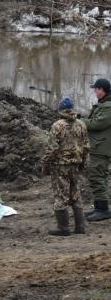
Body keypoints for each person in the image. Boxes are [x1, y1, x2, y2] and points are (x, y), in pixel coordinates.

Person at [41, 97, 89, 235]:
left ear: (60, 109)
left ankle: (63, 228)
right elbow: (86, 146)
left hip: (60, 166)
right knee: (75, 194)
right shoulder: (81, 124)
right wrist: (82, 162)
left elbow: (52, 148)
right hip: (76, 164)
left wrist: (45, 164)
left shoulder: (57, 125)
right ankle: (80, 227)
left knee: (61, 195)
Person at [81, 78, 111, 222]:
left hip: (102, 147)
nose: (94, 91)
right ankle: (99, 207)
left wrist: (81, 121)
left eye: (96, 88)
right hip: (99, 146)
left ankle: (103, 210)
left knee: (97, 177)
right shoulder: (104, 104)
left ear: (102, 89)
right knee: (98, 176)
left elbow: (97, 124)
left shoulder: (108, 106)